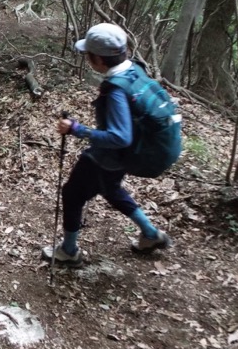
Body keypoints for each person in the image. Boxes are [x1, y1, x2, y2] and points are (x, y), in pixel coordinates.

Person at [42, 23, 173, 266]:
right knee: (111, 190)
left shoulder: (115, 91)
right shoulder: (133, 70)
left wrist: (77, 129)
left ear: (99, 59)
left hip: (107, 156)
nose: (87, 57)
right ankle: (151, 234)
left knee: (72, 194)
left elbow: (120, 136)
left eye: (88, 54)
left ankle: (69, 251)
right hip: (125, 156)